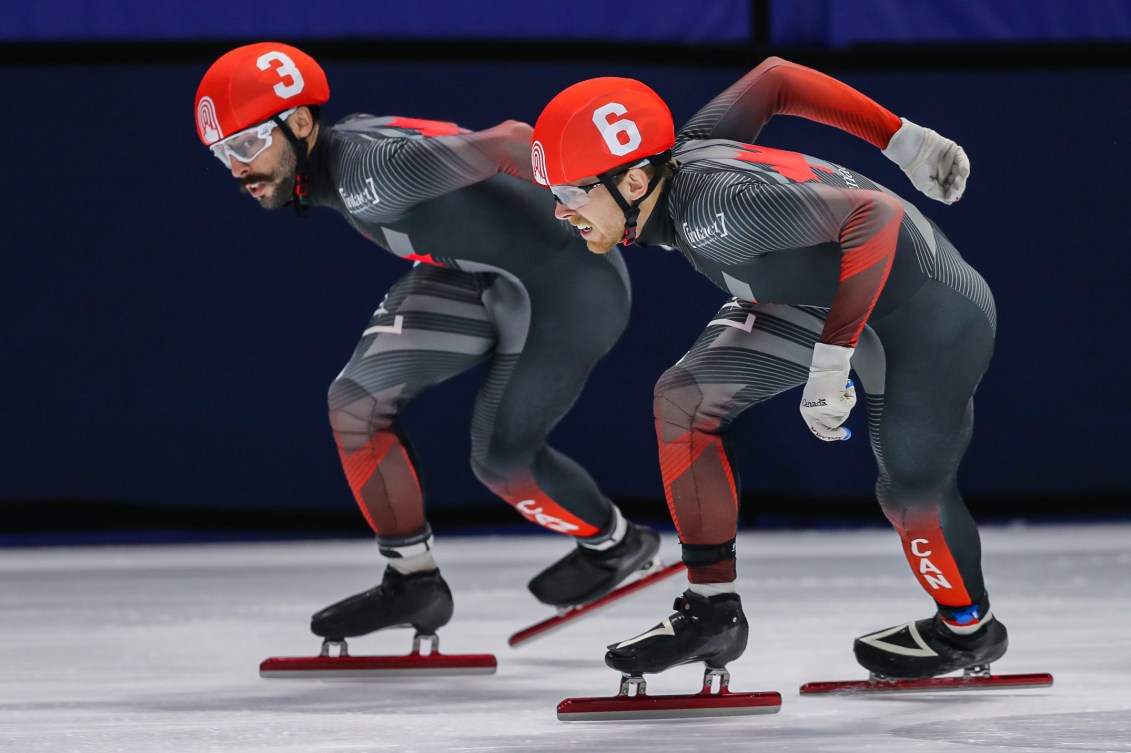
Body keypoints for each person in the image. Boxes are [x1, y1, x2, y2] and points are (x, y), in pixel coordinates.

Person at [530, 57, 1005, 681]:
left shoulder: (718, 210)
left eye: (572, 192)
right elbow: (777, 77)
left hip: (923, 316)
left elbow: (875, 218)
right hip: (816, 294)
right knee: (685, 401)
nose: (563, 211)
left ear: (637, 183)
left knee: (911, 492)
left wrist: (834, 357)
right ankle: (711, 611)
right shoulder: (686, 152)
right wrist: (904, 139)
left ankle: (967, 629)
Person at [193, 42, 664, 644]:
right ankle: (412, 579)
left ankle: (617, 544)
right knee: (356, 404)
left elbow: (514, 140)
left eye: (246, 144)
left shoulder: (376, 173)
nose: (235, 168)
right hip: (473, 269)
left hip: (568, 287)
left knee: (502, 463)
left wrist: (616, 215)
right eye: (223, 152)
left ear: (301, 122)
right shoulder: (345, 159)